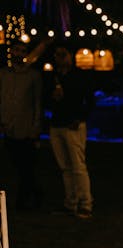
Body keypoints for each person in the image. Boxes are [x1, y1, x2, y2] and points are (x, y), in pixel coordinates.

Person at [49, 45, 94, 219]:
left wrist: (80, 117)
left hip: (73, 125)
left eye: (63, 55)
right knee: (65, 167)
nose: (59, 58)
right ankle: (71, 202)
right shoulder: (53, 77)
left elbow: (89, 100)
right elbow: (47, 99)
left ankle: (85, 203)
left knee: (77, 166)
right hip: (57, 124)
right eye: (57, 55)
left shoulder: (80, 76)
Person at [0, 40, 43, 210]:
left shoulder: (33, 76)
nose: (19, 53)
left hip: (26, 127)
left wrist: (35, 128)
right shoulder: (3, 74)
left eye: (22, 50)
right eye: (16, 50)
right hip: (8, 126)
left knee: (26, 165)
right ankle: (32, 194)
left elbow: (37, 102)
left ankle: (24, 199)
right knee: (16, 164)